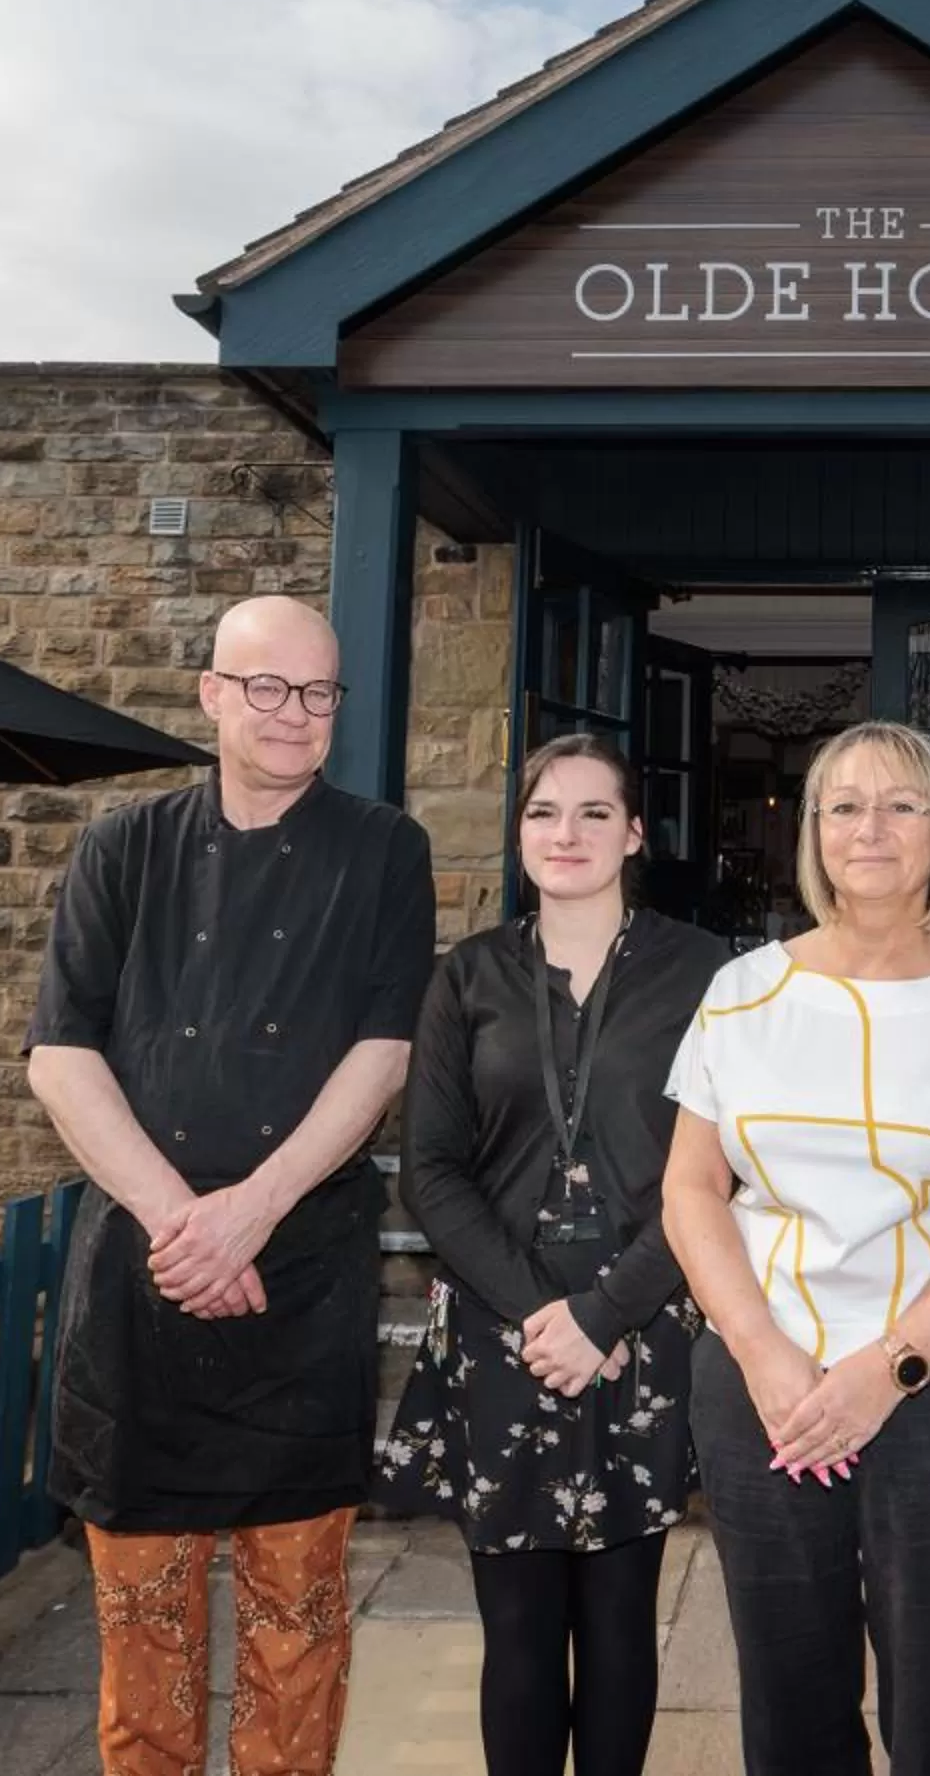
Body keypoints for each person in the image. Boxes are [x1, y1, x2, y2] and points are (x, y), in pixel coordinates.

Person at [24, 594, 435, 1776]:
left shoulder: (384, 849)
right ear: (211, 694)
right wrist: (180, 1222)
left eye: (317, 692)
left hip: (300, 1264)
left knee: (298, 1607)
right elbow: (62, 1052)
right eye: (266, 686)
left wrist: (251, 1209)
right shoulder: (123, 847)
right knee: (141, 1608)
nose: (293, 714)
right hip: (145, 1269)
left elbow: (382, 1052)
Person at [660, 719, 930, 1776]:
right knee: (791, 1701)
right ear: (812, 831)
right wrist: (761, 1351)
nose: (870, 828)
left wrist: (891, 1368)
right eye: (843, 805)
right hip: (769, 1384)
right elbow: (692, 1188)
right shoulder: (742, 993)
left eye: (900, 804)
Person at [377, 732, 730, 1776]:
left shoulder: (710, 973)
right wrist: (545, 1314)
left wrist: (606, 1313)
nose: (565, 833)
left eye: (591, 812)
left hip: (646, 1319)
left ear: (634, 833)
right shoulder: (467, 977)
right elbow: (430, 1170)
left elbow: (730, 1167)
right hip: (502, 1327)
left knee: (623, 1623)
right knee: (518, 1628)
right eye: (543, 812)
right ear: (518, 833)